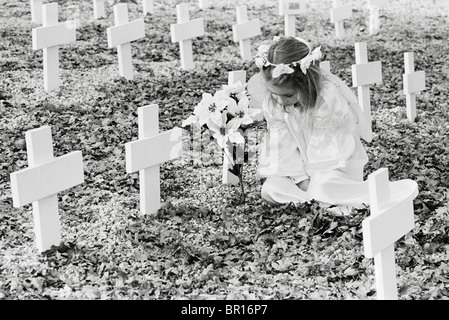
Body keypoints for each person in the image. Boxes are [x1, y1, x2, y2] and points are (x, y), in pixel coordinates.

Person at [247, 36, 417, 214]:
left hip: (334, 167)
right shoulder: (273, 104)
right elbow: (281, 148)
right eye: (275, 94)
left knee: (324, 186)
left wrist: (312, 183)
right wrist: (300, 180)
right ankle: (318, 204)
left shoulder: (327, 100)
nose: (281, 101)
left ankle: (371, 194)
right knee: (271, 189)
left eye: (288, 95)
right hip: (299, 174)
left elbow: (328, 153)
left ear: (306, 84)